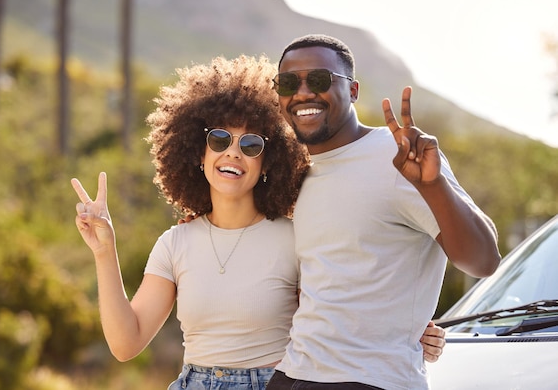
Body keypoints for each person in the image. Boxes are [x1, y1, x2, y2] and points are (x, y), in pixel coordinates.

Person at [71, 55, 445, 390]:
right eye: (219, 139)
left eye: (251, 145)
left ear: (268, 163)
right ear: (198, 153)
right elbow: (126, 343)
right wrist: (105, 252)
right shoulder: (175, 243)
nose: (233, 151)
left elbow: (346, 312)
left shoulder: (295, 237)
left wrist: (409, 331)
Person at [266, 34, 501, 390]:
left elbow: (483, 261)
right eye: (287, 82)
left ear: (354, 90)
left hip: (368, 380)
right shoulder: (300, 172)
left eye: (318, 80)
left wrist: (433, 186)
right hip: (293, 374)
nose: (302, 93)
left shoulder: (396, 156)